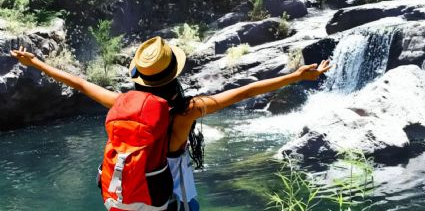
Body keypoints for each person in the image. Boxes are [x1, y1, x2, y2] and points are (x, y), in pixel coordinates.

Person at [10, 36, 332, 211]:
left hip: (126, 193)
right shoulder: (185, 111)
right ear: (173, 74)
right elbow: (242, 92)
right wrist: (296, 76)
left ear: (140, 75)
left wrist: (35, 62)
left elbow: (79, 83)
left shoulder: (121, 101)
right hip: (170, 198)